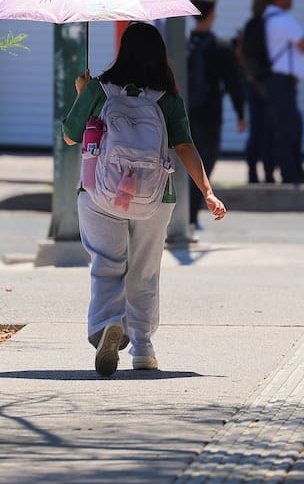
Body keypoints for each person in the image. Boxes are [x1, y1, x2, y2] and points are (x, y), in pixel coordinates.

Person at [61, 22, 226, 376]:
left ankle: (107, 325)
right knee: (145, 269)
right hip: (155, 196)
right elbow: (185, 146)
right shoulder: (167, 98)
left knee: (107, 264)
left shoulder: (99, 89)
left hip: (99, 192)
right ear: (159, 55)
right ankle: (143, 347)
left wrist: (83, 93)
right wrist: (207, 192)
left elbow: (71, 137)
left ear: (122, 51)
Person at [185, 0, 245, 234]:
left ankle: (184, 214)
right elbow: (233, 82)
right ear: (212, 14)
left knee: (186, 162)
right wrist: (240, 113)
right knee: (205, 162)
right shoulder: (221, 47)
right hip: (210, 113)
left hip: (185, 113)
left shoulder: (183, 44)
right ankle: (190, 216)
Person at [262, 0, 304, 184]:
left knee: (277, 126)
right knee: (289, 128)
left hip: (271, 81)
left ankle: (276, 171)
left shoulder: (264, 19)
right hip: (283, 82)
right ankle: (290, 172)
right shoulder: (285, 20)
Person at [238, 0, 275, 184]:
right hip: (266, 82)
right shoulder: (268, 25)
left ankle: (252, 172)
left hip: (251, 82)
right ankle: (268, 172)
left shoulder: (250, 25)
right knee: (269, 131)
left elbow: (242, 53)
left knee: (255, 131)